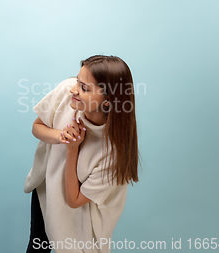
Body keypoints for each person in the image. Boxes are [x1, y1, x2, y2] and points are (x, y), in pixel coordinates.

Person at [24, 55, 140, 253]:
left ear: (107, 102)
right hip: (46, 187)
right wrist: (62, 136)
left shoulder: (114, 153)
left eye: (84, 88)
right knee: (37, 242)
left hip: (82, 217)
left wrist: (72, 148)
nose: (73, 90)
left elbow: (74, 200)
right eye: (78, 81)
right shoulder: (67, 92)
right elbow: (37, 127)